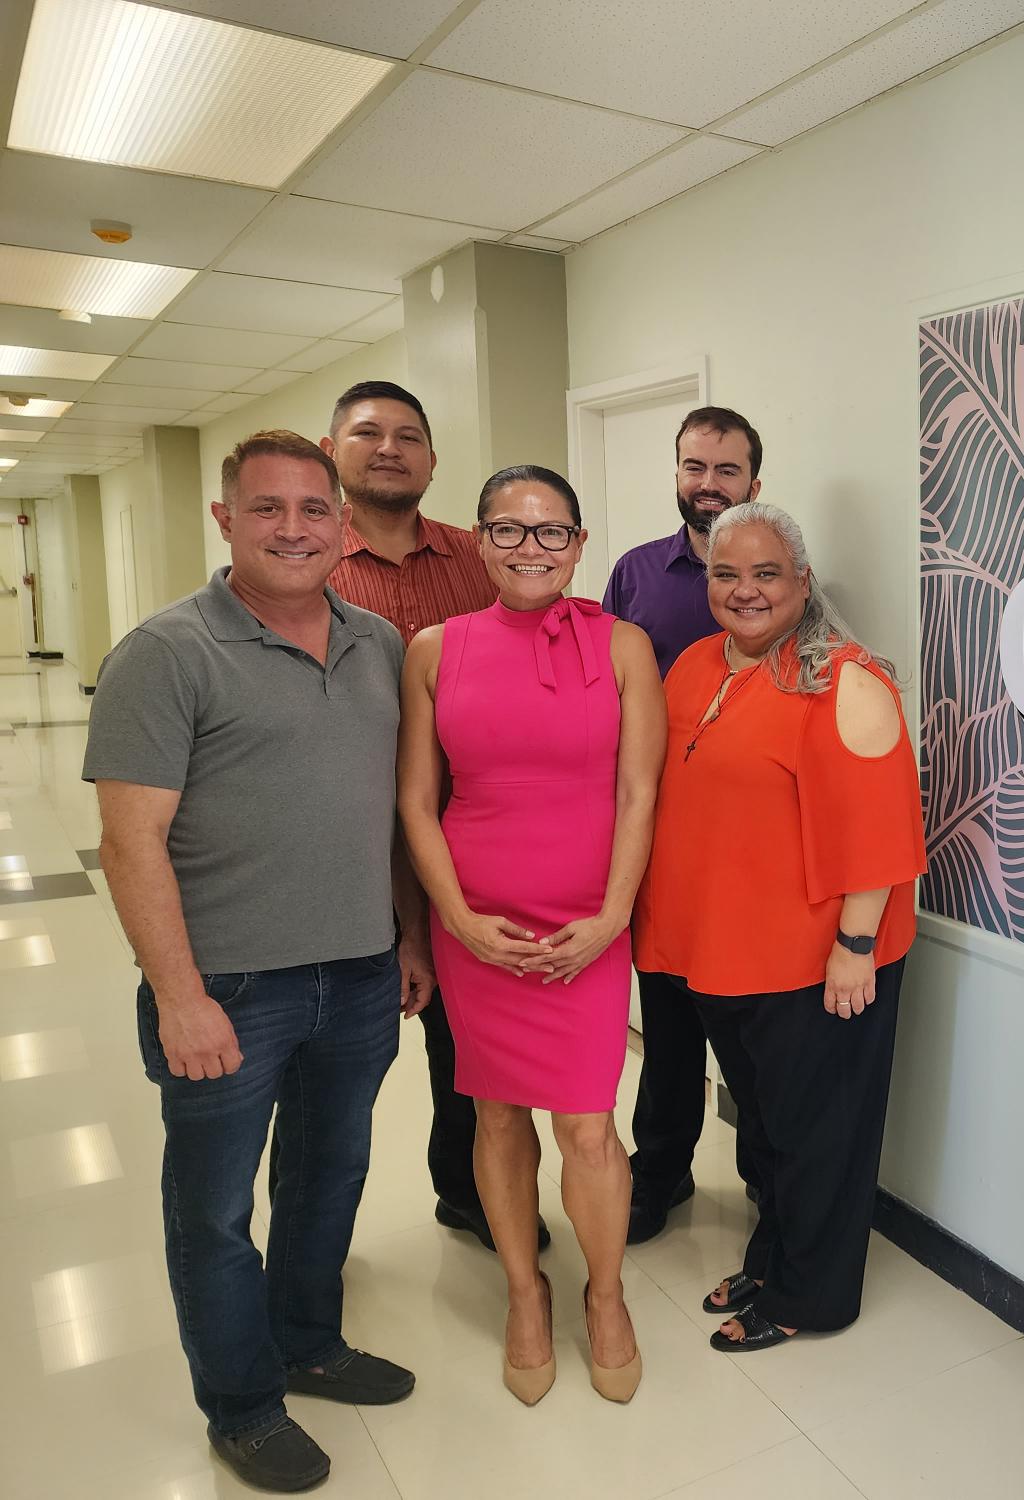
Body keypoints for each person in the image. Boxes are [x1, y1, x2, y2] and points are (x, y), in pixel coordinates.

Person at [85, 431, 422, 1492]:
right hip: (228, 989)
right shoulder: (166, 651)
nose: (293, 527)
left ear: (344, 526)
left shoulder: (379, 643)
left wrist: (406, 934)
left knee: (330, 1177)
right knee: (216, 1211)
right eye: (266, 507)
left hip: (361, 975)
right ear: (226, 519)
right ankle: (239, 1400)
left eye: (313, 509)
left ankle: (309, 1340)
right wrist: (178, 998)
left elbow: (393, 814)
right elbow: (128, 842)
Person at [397, 465, 666, 1403]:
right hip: (481, 926)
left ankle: (604, 1294)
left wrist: (614, 917)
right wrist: (458, 921)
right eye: (508, 530)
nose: (530, 548)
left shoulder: (624, 645)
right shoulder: (435, 648)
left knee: (589, 1125)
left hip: (591, 926)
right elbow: (416, 802)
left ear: (581, 544)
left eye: (551, 531)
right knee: (497, 1112)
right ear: (478, 542)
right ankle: (523, 1290)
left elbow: (640, 793)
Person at [632, 501, 925, 1352]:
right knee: (763, 1132)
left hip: (817, 962)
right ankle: (772, 1258)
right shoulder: (692, 664)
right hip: (724, 958)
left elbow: (880, 832)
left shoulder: (844, 677)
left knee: (818, 1138)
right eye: (727, 573)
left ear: (803, 580)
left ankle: (813, 1296)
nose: (745, 590)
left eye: (767, 573)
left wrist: (855, 948)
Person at [321, 380, 550, 1255]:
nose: (389, 449)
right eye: (368, 433)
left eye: (408, 435)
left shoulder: (477, 554)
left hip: (470, 839)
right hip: (349, 840)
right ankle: (315, 1257)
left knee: (469, 1046)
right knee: (341, 1068)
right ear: (333, 447)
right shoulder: (311, 559)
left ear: (432, 459)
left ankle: (469, 1194)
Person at [602, 405, 764, 1243]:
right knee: (665, 1028)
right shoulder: (634, 575)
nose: (708, 486)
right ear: (676, 474)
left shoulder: (777, 573)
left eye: (725, 470)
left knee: (749, 1026)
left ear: (753, 483)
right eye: (694, 468)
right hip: (655, 836)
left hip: (746, 847)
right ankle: (659, 1172)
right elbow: (599, 695)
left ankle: (767, 1181)